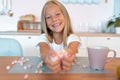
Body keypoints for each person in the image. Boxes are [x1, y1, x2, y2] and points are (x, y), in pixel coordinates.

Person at [38, 0, 80, 73]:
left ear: (65, 16)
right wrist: (46, 56)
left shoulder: (73, 38)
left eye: (57, 14)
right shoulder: (43, 37)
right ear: (45, 22)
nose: (54, 19)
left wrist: (68, 53)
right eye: (48, 17)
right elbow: (43, 52)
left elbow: (72, 49)